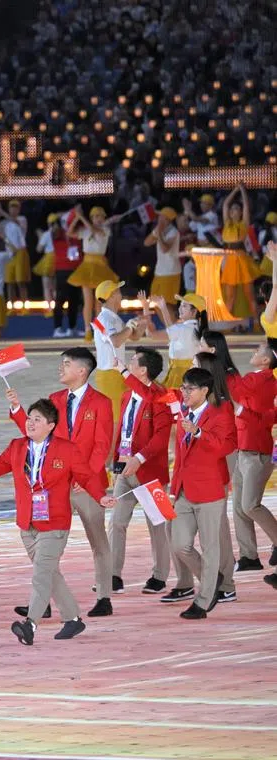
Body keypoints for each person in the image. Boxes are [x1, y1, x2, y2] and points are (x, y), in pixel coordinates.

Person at [0, 399, 91, 644]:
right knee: (50, 574)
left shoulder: (66, 449)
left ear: (51, 425)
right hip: (28, 524)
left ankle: (30, 624)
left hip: (55, 523)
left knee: (41, 575)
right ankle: (73, 619)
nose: (30, 422)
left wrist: (102, 496)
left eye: (37, 419)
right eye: (29, 417)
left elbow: (86, 477)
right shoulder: (18, 447)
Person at [7, 347, 115, 616]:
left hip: (85, 483)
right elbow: (36, 430)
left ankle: (104, 596)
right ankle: (42, 602)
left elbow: (102, 445)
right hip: (54, 485)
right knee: (43, 544)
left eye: (66, 364)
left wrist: (85, 476)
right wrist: (17, 408)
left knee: (98, 540)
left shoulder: (101, 402)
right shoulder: (54, 399)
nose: (60, 368)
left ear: (82, 370)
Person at [107, 348, 175, 595]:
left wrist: (139, 458)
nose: (128, 363)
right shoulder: (127, 396)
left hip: (150, 472)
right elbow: (124, 430)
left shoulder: (161, 396)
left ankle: (160, 576)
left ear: (143, 370)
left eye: (133, 361)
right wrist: (116, 460)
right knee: (116, 522)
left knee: (158, 525)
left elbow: (161, 436)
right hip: (125, 470)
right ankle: (113, 574)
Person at [169, 368, 236, 619]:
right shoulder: (183, 414)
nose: (184, 393)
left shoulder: (221, 412)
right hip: (185, 489)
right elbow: (179, 453)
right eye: (183, 388)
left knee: (210, 547)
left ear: (204, 391)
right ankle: (212, 578)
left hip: (209, 488)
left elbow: (226, 446)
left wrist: (199, 432)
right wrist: (175, 487)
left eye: (189, 388)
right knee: (179, 544)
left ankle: (204, 600)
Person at [227, 339, 277, 571]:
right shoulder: (257, 379)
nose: (253, 351)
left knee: (249, 505)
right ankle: (248, 556)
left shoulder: (263, 379)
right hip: (244, 449)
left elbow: (235, 389)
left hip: (256, 451)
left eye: (257, 350)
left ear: (266, 360)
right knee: (239, 506)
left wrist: (222, 365)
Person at [67, 206, 119, 338]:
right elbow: (69, 233)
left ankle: (99, 330)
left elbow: (94, 230)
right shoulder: (85, 230)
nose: (98, 219)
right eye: (96, 216)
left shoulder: (106, 230)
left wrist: (81, 217)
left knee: (99, 303)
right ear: (92, 218)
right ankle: (87, 330)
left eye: (101, 216)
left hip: (100, 267)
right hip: (87, 266)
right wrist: (76, 218)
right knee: (88, 301)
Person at [91, 280, 139, 419]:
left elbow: (133, 337)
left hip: (116, 374)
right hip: (110, 375)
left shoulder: (110, 318)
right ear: (112, 295)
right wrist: (130, 327)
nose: (121, 294)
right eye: (118, 291)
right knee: (115, 420)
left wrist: (140, 324)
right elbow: (116, 341)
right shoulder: (104, 319)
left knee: (121, 416)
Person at [139, 292, 207, 388]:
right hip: (192, 377)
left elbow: (151, 334)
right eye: (180, 305)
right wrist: (163, 308)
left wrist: (146, 308)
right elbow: (171, 330)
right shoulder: (196, 328)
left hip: (179, 378)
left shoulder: (183, 329)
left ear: (194, 311)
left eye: (184, 306)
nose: (179, 309)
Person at [219, 183, 260, 323]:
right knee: (230, 297)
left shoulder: (244, 223)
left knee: (250, 296)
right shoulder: (227, 223)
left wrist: (242, 190)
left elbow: (246, 205)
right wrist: (235, 189)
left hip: (241, 260)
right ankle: (227, 325)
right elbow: (225, 204)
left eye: (236, 208)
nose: (232, 210)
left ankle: (256, 324)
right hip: (230, 261)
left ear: (240, 212)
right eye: (232, 208)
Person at [0, 200, 30, 308]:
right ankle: (11, 307)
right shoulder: (4, 223)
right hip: (8, 254)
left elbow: (15, 222)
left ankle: (24, 307)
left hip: (20, 252)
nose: (13, 209)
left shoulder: (22, 219)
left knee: (21, 282)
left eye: (16, 207)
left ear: (19, 209)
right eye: (11, 207)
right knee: (10, 282)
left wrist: (1, 211)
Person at [50, 215, 83, 338]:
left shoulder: (76, 236)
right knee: (60, 300)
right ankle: (57, 328)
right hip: (62, 271)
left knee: (74, 300)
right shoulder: (58, 234)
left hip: (76, 271)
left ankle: (72, 328)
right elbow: (54, 231)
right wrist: (59, 222)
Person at [145, 208, 182, 304]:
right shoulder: (159, 230)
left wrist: (159, 234)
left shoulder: (174, 232)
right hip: (160, 271)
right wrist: (156, 232)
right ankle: (167, 319)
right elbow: (146, 243)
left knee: (166, 304)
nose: (159, 218)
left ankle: (171, 319)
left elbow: (165, 249)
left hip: (171, 272)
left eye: (161, 216)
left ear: (167, 219)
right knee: (155, 302)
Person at [34, 214, 58, 319]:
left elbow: (39, 249)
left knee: (47, 287)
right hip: (58, 259)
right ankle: (58, 308)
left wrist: (40, 238)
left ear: (48, 224)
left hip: (48, 260)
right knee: (56, 287)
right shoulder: (62, 233)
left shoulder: (46, 234)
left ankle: (49, 310)